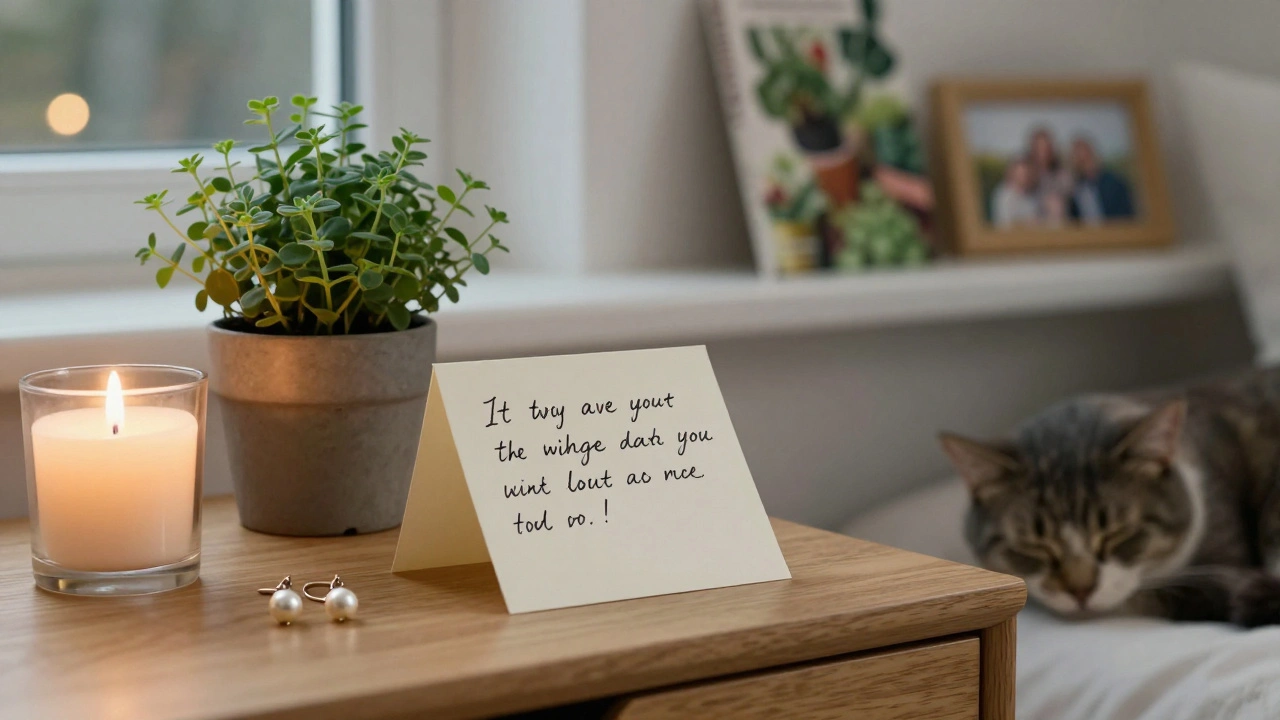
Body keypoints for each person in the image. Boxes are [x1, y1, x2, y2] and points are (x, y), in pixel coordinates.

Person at [1069, 135, 1135, 223]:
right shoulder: (1077, 188)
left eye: (1086, 159)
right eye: (1080, 161)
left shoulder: (1114, 183)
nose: (1086, 165)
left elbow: (1126, 215)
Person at [1026, 127, 1073, 226]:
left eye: (1046, 148)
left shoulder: (1062, 174)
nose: (1043, 153)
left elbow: (1067, 196)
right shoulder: (1027, 174)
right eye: (1039, 148)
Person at [991, 158, 1039, 228]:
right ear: (1012, 174)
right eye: (1020, 174)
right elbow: (1004, 223)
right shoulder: (1003, 196)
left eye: (1026, 174)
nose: (1023, 177)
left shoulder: (1032, 196)